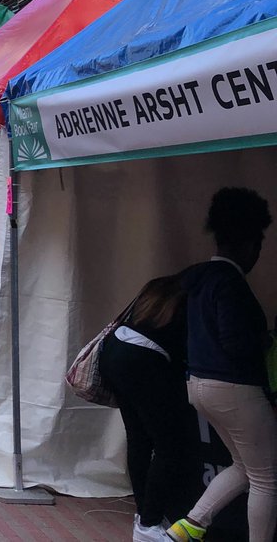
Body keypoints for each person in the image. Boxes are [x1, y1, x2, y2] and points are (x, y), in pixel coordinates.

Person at [168, 188, 276, 542]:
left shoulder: (198, 278)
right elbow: (236, 341)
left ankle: (188, 529)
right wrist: (264, 342)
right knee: (267, 478)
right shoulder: (230, 283)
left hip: (199, 385)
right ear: (249, 243)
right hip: (236, 389)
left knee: (245, 468)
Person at [98, 275, 194, 542]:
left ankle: (145, 517)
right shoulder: (187, 298)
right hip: (142, 360)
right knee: (168, 445)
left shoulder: (159, 288)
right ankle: (149, 522)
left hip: (115, 353)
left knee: (139, 440)